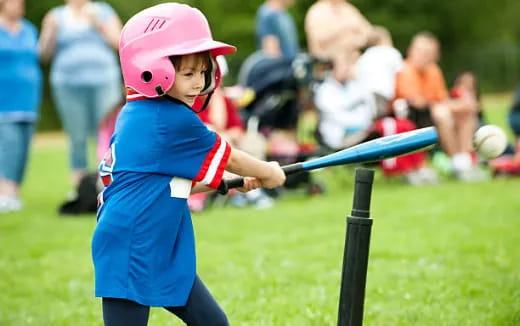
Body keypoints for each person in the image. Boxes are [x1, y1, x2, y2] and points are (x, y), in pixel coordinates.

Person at [92, 3, 286, 326]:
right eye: (187, 73)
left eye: (202, 71)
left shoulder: (137, 112)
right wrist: (270, 172)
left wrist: (225, 182)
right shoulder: (170, 118)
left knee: (213, 323)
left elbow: (161, 183)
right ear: (151, 69)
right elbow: (232, 156)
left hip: (159, 244)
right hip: (130, 246)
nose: (199, 82)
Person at [38, 0, 123, 188]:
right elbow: (43, 54)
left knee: (108, 132)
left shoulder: (103, 11)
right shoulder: (56, 15)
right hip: (68, 84)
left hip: (104, 81)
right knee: (76, 135)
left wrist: (99, 23)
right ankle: (80, 187)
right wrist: (50, 32)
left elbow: (120, 43)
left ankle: (109, 181)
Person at [395, 32, 485, 181]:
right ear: (411, 50)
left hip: (435, 114)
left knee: (466, 112)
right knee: (442, 113)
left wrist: (461, 106)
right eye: (421, 52)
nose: (425, 57)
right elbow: (418, 103)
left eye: (429, 54)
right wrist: (452, 106)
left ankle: (464, 161)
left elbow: (442, 99)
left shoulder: (433, 70)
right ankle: (457, 163)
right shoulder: (405, 70)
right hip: (415, 117)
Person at [0, 0, 42, 213]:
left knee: (23, 149)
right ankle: (4, 192)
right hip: (4, 100)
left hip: (28, 99)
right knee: (9, 146)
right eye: (15, 2)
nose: (20, 6)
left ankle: (14, 192)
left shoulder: (29, 29)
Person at [305, 0, 372, 76]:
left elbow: (369, 32)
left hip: (354, 61)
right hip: (329, 64)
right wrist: (346, 31)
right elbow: (320, 41)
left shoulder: (348, 9)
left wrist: (352, 39)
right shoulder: (317, 11)